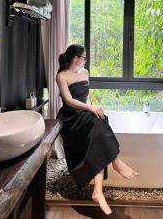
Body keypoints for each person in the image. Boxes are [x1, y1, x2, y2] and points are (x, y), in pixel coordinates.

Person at [56, 44, 138, 215]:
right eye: (83, 57)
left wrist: (92, 107)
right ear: (75, 58)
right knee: (99, 125)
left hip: (85, 113)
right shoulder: (62, 76)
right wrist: (90, 109)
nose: (85, 60)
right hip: (71, 118)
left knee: (100, 128)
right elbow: (69, 101)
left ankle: (98, 191)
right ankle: (115, 162)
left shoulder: (85, 73)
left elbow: (86, 97)